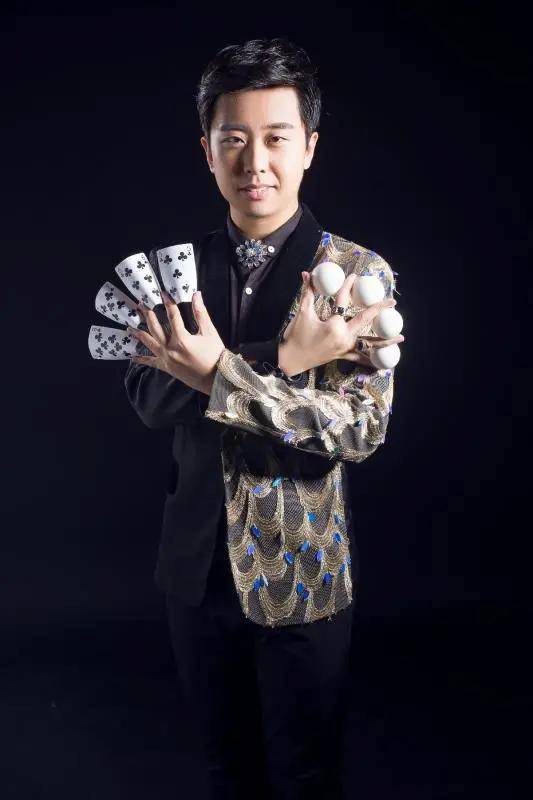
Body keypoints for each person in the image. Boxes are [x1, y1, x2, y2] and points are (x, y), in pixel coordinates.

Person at [124, 36, 404, 800]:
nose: (256, 163)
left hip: (303, 570)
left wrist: (214, 370)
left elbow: (356, 429)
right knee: (227, 774)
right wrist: (283, 358)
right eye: (234, 140)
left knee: (306, 778)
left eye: (276, 139)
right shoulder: (174, 274)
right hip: (194, 569)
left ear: (308, 147)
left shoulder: (356, 274)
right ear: (206, 151)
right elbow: (149, 400)